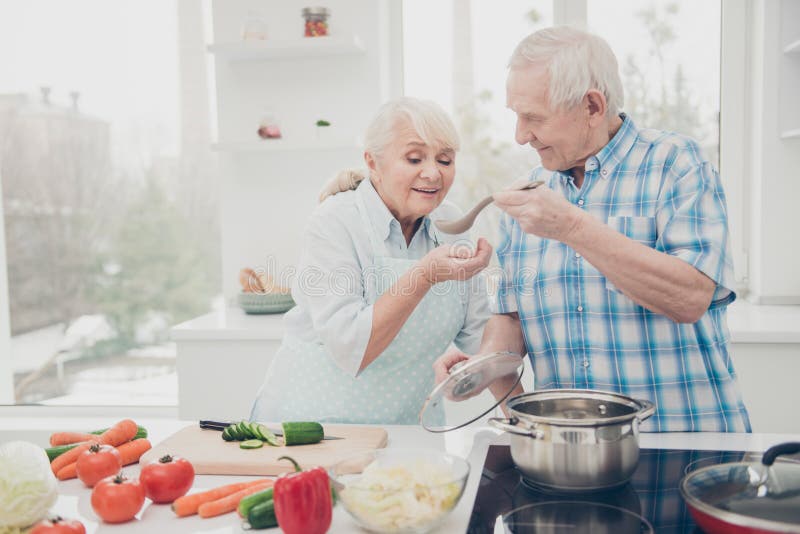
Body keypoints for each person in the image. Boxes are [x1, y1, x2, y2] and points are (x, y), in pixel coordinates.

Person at [435, 26, 750, 432]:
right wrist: (480, 369)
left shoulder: (676, 164)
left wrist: (570, 226)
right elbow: (510, 320)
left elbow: (690, 298)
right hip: (570, 457)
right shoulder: (533, 193)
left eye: (533, 117)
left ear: (592, 106)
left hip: (684, 445)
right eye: (516, 115)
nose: (520, 135)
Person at [250, 97, 492, 425]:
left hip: (408, 429)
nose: (433, 173)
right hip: (310, 430)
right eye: (414, 158)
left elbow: (480, 339)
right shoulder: (335, 223)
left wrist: (474, 373)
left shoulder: (452, 225)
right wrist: (425, 275)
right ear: (373, 163)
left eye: (445, 160)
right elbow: (352, 346)